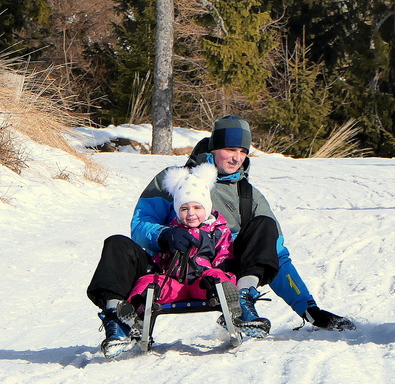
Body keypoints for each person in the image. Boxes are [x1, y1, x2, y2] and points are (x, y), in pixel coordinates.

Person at [87, 116, 355, 359]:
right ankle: (118, 317)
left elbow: (277, 256)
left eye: (242, 151)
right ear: (212, 148)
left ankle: (243, 300)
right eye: (230, 149)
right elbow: (140, 225)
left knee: (264, 226)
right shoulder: (172, 180)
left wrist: (309, 309)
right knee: (117, 244)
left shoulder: (249, 197)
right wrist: (164, 234)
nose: (236, 157)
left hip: (220, 271)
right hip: (167, 267)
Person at [126, 163, 239, 315]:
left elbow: (224, 253)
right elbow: (160, 256)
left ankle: (226, 297)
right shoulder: (173, 231)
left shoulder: (217, 230)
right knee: (149, 281)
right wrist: (155, 268)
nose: (191, 213)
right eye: (184, 209)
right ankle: (134, 310)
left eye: (197, 208)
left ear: (207, 208)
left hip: (201, 281)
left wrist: (223, 270)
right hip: (173, 283)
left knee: (216, 277)